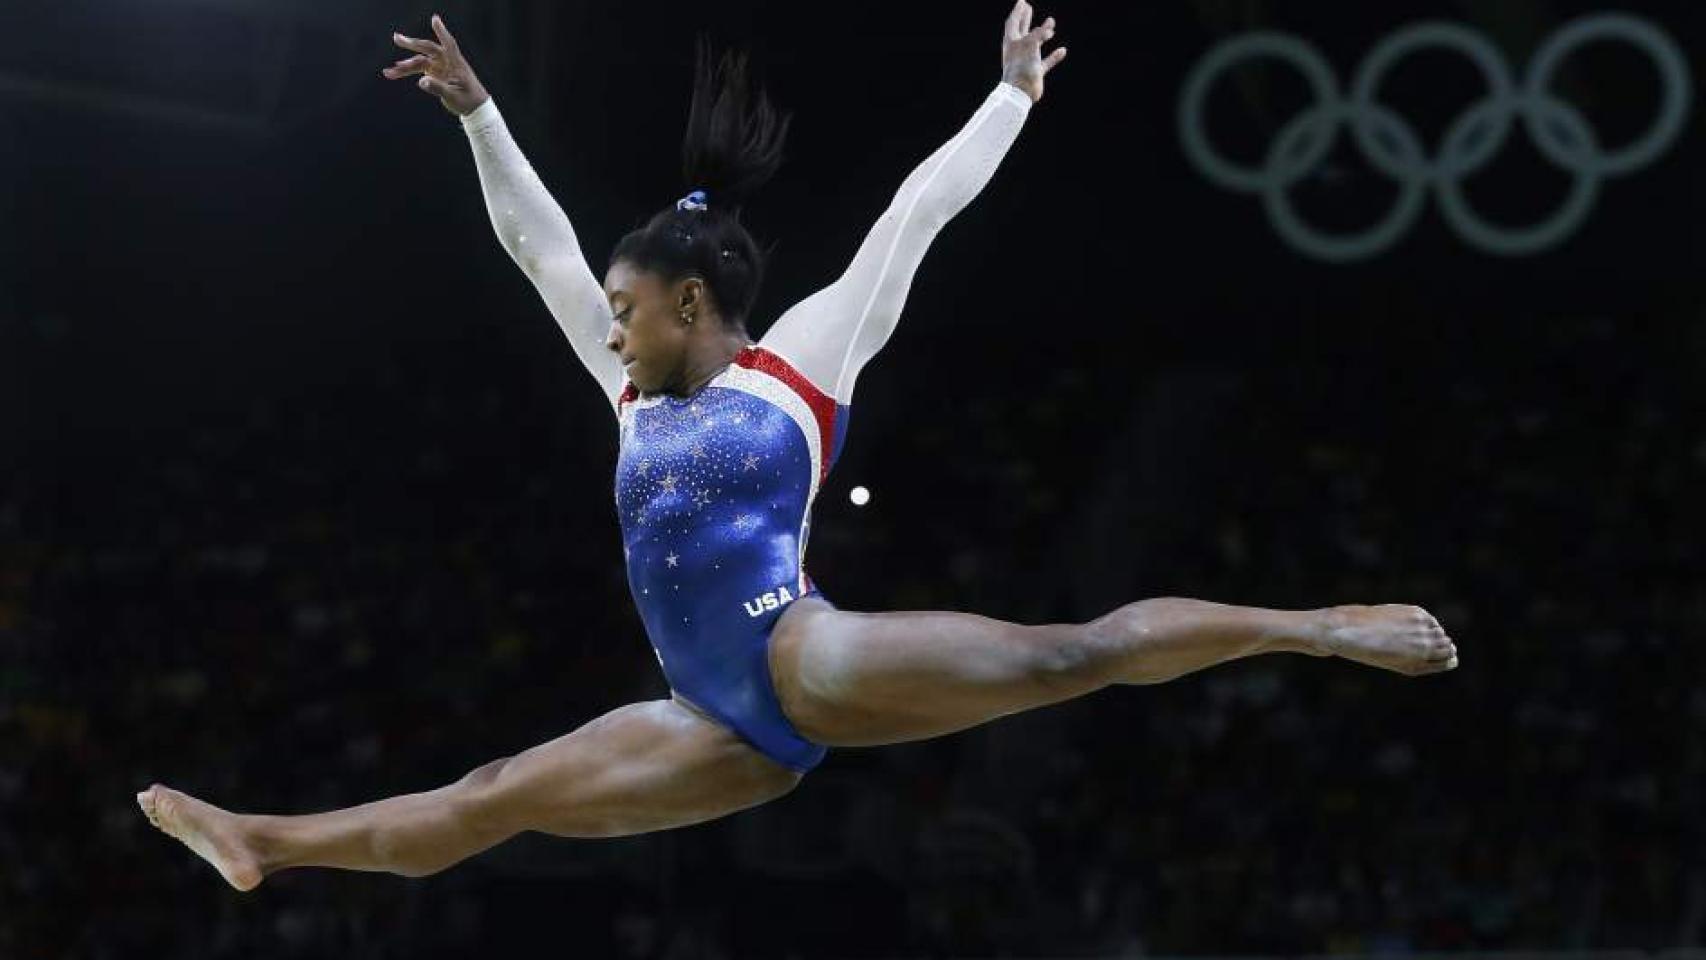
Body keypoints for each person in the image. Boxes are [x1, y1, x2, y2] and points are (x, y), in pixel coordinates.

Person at [137, 3, 1457, 893]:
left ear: (691, 303)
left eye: (624, 306)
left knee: (1074, 652)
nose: (606, 322)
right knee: (494, 795)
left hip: (795, 653)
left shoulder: (797, 373)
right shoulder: (629, 395)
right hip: (710, 724)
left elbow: (911, 217)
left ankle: (1317, 623)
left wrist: (1006, 99)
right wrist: (480, 116)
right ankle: (259, 842)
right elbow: (534, 245)